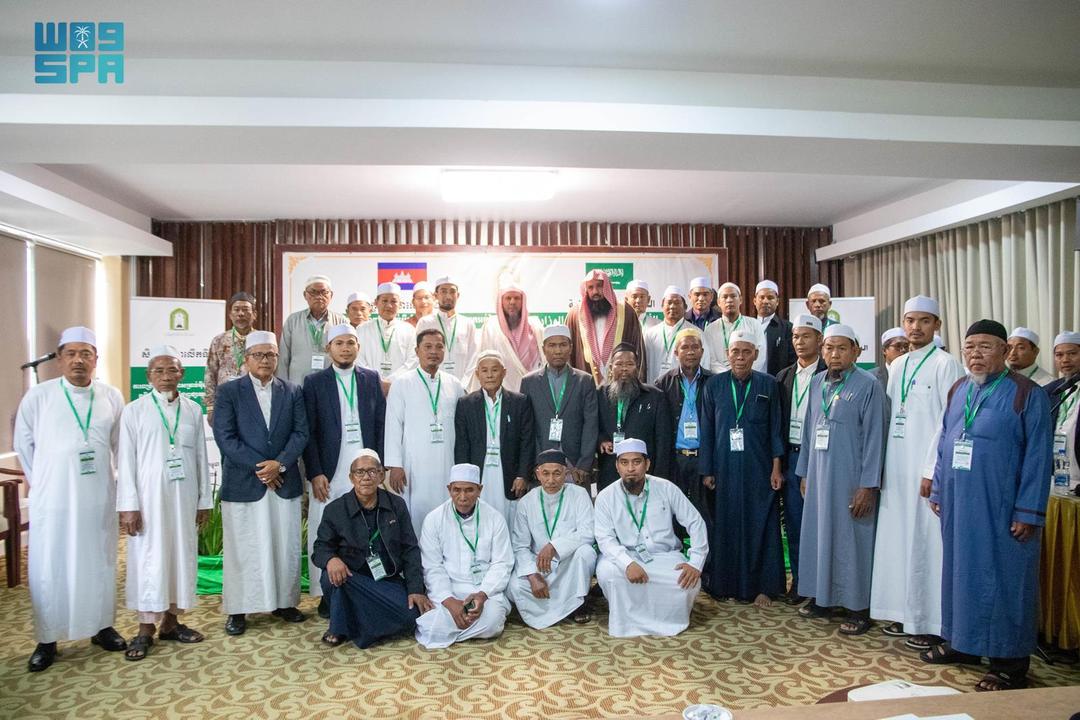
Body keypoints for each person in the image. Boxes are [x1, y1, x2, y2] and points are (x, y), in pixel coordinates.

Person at [922, 320, 1052, 692]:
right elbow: (946, 443)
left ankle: (1009, 663)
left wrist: (1028, 511)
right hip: (959, 504)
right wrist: (939, 490)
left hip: (1002, 509)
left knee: (1004, 580)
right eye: (969, 347)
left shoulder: (1027, 394)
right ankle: (963, 643)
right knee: (960, 574)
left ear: (1005, 351)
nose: (975, 354)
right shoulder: (959, 389)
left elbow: (1039, 457)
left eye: (985, 346)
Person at [15, 326, 127, 672]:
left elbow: (120, 447)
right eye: (71, 354)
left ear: (96, 359)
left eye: (86, 354)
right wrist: (44, 483)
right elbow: (23, 445)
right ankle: (47, 639)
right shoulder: (39, 396)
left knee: (100, 562)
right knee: (50, 567)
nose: (79, 360)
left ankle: (101, 627)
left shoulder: (111, 396)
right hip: (54, 500)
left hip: (97, 496)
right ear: (60, 359)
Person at [871, 295, 965, 649]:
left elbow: (948, 423)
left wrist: (931, 471)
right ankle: (902, 612)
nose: (916, 327)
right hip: (896, 467)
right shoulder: (898, 365)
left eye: (924, 321)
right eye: (910, 321)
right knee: (897, 541)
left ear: (937, 325)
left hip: (926, 472)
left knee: (927, 544)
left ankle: (931, 621)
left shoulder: (946, 364)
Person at [117, 345, 213, 660]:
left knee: (180, 558)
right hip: (148, 502)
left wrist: (204, 500)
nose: (166, 376)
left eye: (172, 370)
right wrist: (128, 505)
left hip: (184, 498)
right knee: (149, 560)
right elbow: (126, 462)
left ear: (182, 374)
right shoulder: (134, 411)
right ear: (149, 376)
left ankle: (171, 623)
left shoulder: (193, 410)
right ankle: (145, 629)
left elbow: (200, 457)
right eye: (159, 371)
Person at [212, 330, 310, 636]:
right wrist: (263, 468)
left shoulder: (292, 391)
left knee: (284, 545)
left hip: (283, 481)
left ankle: (284, 602)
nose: (265, 360)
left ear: (277, 358)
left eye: (270, 355)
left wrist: (279, 464)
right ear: (246, 359)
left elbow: (301, 433)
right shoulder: (229, 392)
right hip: (245, 483)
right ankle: (238, 609)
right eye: (258, 355)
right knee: (244, 548)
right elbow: (225, 437)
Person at [795, 324, 886, 635]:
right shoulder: (817, 382)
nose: (835, 354)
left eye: (842, 348)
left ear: (856, 351)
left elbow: (875, 437)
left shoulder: (868, 384)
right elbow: (809, 430)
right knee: (820, 534)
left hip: (851, 477)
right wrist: (804, 471)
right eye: (829, 348)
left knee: (852, 540)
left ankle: (858, 608)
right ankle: (823, 598)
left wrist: (868, 485)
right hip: (819, 475)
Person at [302, 324, 385, 618]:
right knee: (325, 527)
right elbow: (309, 431)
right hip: (330, 469)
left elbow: (380, 424)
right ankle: (326, 592)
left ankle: (362, 588)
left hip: (365, 467)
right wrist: (315, 472)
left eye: (351, 343)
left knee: (365, 527)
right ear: (329, 349)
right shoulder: (314, 382)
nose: (345, 348)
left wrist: (380, 467)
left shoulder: (371, 379)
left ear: (358, 347)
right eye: (339, 343)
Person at [313, 450, 434, 649]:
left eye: (371, 471)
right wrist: (331, 559)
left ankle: (348, 622)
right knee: (332, 577)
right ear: (351, 478)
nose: (366, 477)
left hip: (386, 580)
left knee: (411, 615)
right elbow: (320, 548)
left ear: (381, 475)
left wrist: (415, 589)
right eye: (359, 472)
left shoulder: (396, 505)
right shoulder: (335, 509)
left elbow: (410, 549)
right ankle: (339, 627)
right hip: (351, 578)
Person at [700, 329, 785, 607]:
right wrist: (707, 470)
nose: (740, 357)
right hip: (724, 469)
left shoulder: (769, 384)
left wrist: (776, 467)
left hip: (759, 469)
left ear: (755, 355)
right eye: (735, 351)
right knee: (726, 525)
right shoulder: (713, 386)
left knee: (761, 525)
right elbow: (707, 430)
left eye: (746, 352)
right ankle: (726, 585)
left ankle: (764, 588)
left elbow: (776, 429)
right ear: (727, 354)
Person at [594, 438, 708, 637]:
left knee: (688, 581)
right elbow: (605, 539)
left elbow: (695, 522)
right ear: (617, 466)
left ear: (647, 464)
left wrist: (696, 562)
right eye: (624, 462)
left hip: (665, 556)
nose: (631, 468)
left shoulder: (666, 488)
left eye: (636, 462)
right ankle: (627, 623)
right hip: (626, 555)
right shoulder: (605, 496)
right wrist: (627, 563)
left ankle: (668, 620)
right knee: (608, 573)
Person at [415, 463, 513, 649]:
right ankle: (465, 627)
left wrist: (482, 595)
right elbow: (432, 566)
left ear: (479, 490)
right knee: (429, 627)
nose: (462, 497)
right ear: (449, 489)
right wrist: (449, 601)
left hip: (483, 590)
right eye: (457, 490)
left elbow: (502, 563)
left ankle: (453, 630)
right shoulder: (434, 519)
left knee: (492, 622)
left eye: (469, 490)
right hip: (449, 589)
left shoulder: (494, 518)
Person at [384, 329, 466, 536]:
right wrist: (395, 465)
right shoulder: (402, 383)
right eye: (427, 347)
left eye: (439, 347)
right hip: (414, 467)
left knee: (448, 517)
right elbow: (393, 425)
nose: (433, 352)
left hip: (447, 462)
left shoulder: (454, 384)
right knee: (416, 517)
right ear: (417, 351)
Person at [508, 449, 597, 628]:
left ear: (566, 473)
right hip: (539, 565)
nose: (551, 480)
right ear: (538, 474)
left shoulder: (579, 494)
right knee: (514, 587)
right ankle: (560, 605)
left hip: (569, 562)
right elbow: (520, 546)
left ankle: (578, 603)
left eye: (557, 473)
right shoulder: (526, 502)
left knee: (586, 552)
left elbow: (588, 532)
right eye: (546, 474)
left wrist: (553, 546)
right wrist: (532, 575)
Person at [774, 315, 826, 603]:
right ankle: (799, 583)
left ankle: (822, 586)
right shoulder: (783, 376)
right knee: (794, 524)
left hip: (820, 459)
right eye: (795, 337)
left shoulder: (830, 374)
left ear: (819, 340)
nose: (799, 342)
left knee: (820, 523)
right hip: (792, 458)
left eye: (806, 336)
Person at [454, 350, 535, 524]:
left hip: (509, 474)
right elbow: (462, 445)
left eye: (495, 370)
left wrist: (523, 475)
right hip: (479, 473)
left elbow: (527, 442)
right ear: (477, 374)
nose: (489, 375)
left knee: (510, 520)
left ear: (504, 372)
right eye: (484, 370)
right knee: (480, 519)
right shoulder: (465, 404)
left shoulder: (520, 402)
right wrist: (464, 479)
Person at [520, 324, 599, 488]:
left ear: (571, 347)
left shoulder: (585, 381)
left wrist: (584, 465)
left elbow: (591, 425)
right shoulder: (529, 382)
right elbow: (527, 428)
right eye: (552, 345)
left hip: (575, 466)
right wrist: (536, 463)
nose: (558, 351)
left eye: (563, 345)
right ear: (543, 348)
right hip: (541, 466)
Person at [654, 327, 713, 529]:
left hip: (702, 459)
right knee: (672, 516)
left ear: (702, 352)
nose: (690, 352)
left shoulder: (713, 381)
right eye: (685, 347)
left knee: (704, 516)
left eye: (695, 347)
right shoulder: (663, 383)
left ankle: (705, 551)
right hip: (675, 459)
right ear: (676, 352)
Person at [596, 343, 672, 491]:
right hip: (609, 471)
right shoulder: (600, 395)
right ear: (611, 367)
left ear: (637, 367)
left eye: (630, 364)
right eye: (619, 364)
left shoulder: (654, 396)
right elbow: (592, 426)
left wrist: (660, 477)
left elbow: (663, 441)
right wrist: (601, 440)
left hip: (645, 475)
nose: (624, 368)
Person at [566, 269, 647, 386]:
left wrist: (639, 387)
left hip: (622, 386)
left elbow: (638, 352)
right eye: (590, 287)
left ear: (607, 287)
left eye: (599, 286)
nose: (595, 292)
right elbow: (567, 355)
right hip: (584, 387)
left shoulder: (626, 312)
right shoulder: (574, 315)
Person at [472, 280, 544, 392]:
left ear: (523, 301)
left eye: (517, 298)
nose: (512, 302)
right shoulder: (491, 327)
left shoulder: (535, 327)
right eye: (508, 298)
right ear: (501, 301)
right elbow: (483, 362)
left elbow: (544, 361)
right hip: (500, 392)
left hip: (532, 390)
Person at [278, 275, 347, 385]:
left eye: (324, 292)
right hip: (298, 384)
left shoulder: (341, 322)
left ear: (331, 295)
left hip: (331, 383)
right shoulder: (293, 320)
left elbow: (346, 355)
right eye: (313, 292)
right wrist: (283, 386)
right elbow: (283, 358)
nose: (319, 297)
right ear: (305, 295)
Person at [205, 291, 257, 422]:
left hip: (255, 400)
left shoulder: (261, 340)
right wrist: (210, 407)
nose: (241, 313)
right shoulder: (219, 340)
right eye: (236, 309)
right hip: (225, 401)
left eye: (245, 309)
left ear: (254, 314)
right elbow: (210, 373)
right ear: (230, 315)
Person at [416, 275, 480, 382]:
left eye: (452, 292)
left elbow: (474, 357)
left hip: (462, 386)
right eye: (444, 291)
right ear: (436, 295)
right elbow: (419, 356)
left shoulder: (468, 324)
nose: (448, 296)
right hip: (432, 383)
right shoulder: (425, 323)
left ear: (457, 295)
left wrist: (464, 384)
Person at [644, 286, 711, 383]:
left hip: (686, 386)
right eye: (669, 302)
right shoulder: (651, 334)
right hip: (654, 386)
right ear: (662, 306)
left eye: (677, 303)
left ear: (685, 307)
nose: (672, 306)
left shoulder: (696, 333)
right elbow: (644, 365)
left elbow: (704, 363)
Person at [356, 282, 417, 388]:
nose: (389, 306)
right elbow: (358, 359)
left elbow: (413, 360)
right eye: (384, 301)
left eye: (394, 301)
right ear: (376, 303)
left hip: (400, 386)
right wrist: (375, 380)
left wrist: (391, 381)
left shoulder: (409, 330)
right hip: (369, 385)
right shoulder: (362, 329)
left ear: (401, 304)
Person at [704, 282, 767, 374]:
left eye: (733, 296)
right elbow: (710, 360)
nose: (729, 300)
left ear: (740, 300)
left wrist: (744, 373)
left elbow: (760, 355)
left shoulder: (754, 324)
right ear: (718, 302)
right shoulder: (710, 329)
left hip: (750, 377)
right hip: (720, 378)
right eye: (725, 297)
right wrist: (728, 375)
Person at [1047, 331, 1080, 495]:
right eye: (1059, 355)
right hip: (1056, 479)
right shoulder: (1050, 391)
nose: (1065, 360)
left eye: (1072, 353)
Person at [754, 280, 796, 377]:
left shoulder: (787, 328)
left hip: (777, 380)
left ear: (777, 302)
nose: (765, 301)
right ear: (755, 301)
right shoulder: (747, 325)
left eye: (770, 298)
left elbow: (793, 361)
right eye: (762, 297)